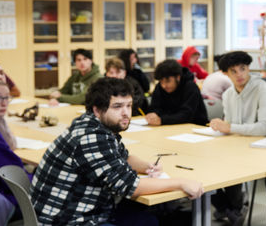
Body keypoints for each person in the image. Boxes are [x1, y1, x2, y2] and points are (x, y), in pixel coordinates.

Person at [31, 77, 204, 225]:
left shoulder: (96, 125)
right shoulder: (92, 137)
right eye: (117, 107)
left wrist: (147, 166)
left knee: (147, 217)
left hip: (72, 210)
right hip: (69, 220)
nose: (125, 113)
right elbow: (131, 187)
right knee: (147, 216)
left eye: (128, 105)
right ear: (98, 110)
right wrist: (180, 182)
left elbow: (123, 158)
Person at [209, 51, 266, 225]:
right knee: (202, 163)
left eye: (243, 69)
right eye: (233, 71)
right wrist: (221, 126)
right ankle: (229, 207)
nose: (239, 74)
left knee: (231, 164)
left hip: (262, 148)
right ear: (225, 74)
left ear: (248, 68)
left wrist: (230, 127)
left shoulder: (263, 89)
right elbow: (230, 125)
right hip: (237, 146)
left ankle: (234, 206)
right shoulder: (228, 95)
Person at [147, 59, 208, 126]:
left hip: (195, 127)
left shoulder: (191, 87)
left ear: (178, 77)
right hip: (168, 127)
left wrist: (162, 120)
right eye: (161, 81)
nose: (164, 85)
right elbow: (154, 108)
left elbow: (186, 115)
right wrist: (153, 115)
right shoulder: (159, 87)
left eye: (168, 81)